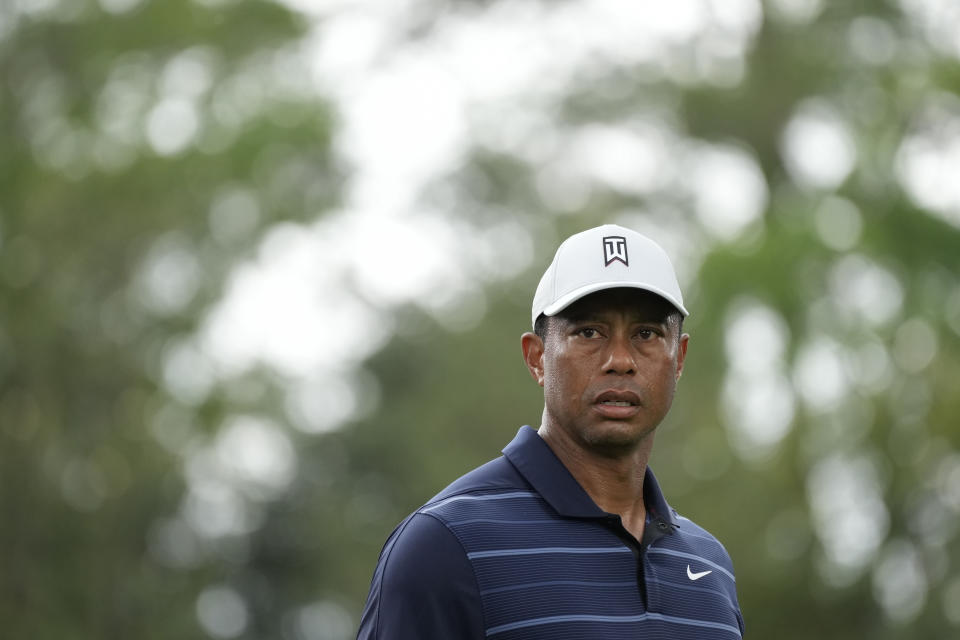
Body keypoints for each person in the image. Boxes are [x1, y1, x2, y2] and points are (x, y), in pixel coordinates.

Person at [356, 224, 744, 639]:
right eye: (588, 332)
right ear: (537, 357)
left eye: (646, 334)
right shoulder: (444, 546)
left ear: (679, 358)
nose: (619, 360)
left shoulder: (711, 565)